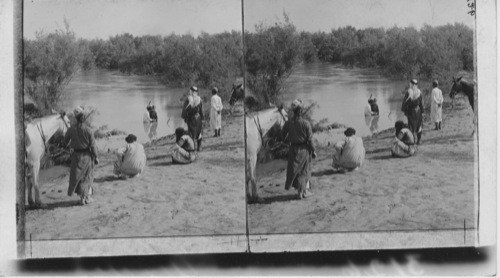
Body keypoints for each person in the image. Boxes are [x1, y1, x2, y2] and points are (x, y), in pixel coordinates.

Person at [282, 99, 316, 199]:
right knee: (304, 171)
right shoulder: (306, 123)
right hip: (304, 149)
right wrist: (313, 150)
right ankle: (302, 193)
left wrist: (290, 139)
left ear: (293, 111)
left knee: (295, 171)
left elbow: (283, 135)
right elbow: (310, 140)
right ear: (301, 112)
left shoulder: (288, 123)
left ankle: (300, 192)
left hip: (293, 149)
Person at [64, 106, 98, 205]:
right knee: (87, 177)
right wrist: (96, 157)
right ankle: (85, 198)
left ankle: (82, 198)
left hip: (75, 156)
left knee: (77, 177)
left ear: (75, 118)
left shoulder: (71, 129)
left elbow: (65, 141)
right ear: (83, 118)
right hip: (87, 156)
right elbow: (93, 146)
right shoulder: (89, 130)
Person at [402, 79, 424, 145]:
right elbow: (421, 103)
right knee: (419, 125)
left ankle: (413, 140)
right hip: (418, 111)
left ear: (411, 84)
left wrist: (404, 110)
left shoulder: (408, 92)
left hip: (411, 111)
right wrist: (422, 111)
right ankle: (419, 140)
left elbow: (404, 103)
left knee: (411, 126)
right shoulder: (419, 92)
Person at [181, 86, 203, 151]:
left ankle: (193, 147)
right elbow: (201, 110)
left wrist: (184, 117)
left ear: (191, 91)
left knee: (192, 133)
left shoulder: (188, 99)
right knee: (199, 132)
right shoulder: (199, 99)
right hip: (198, 117)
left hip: (191, 118)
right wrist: (202, 117)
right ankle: (199, 146)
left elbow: (184, 110)